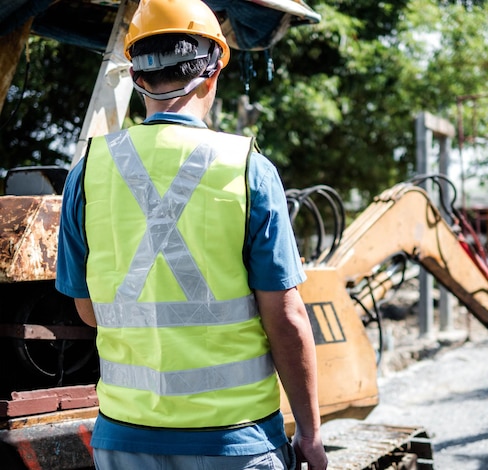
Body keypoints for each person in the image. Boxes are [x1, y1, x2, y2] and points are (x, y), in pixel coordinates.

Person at [55, 0, 327, 469]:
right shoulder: (248, 170)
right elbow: (286, 318)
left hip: (123, 439)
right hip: (234, 442)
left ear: (136, 74)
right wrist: (310, 433)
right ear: (216, 67)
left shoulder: (88, 172)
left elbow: (88, 310)